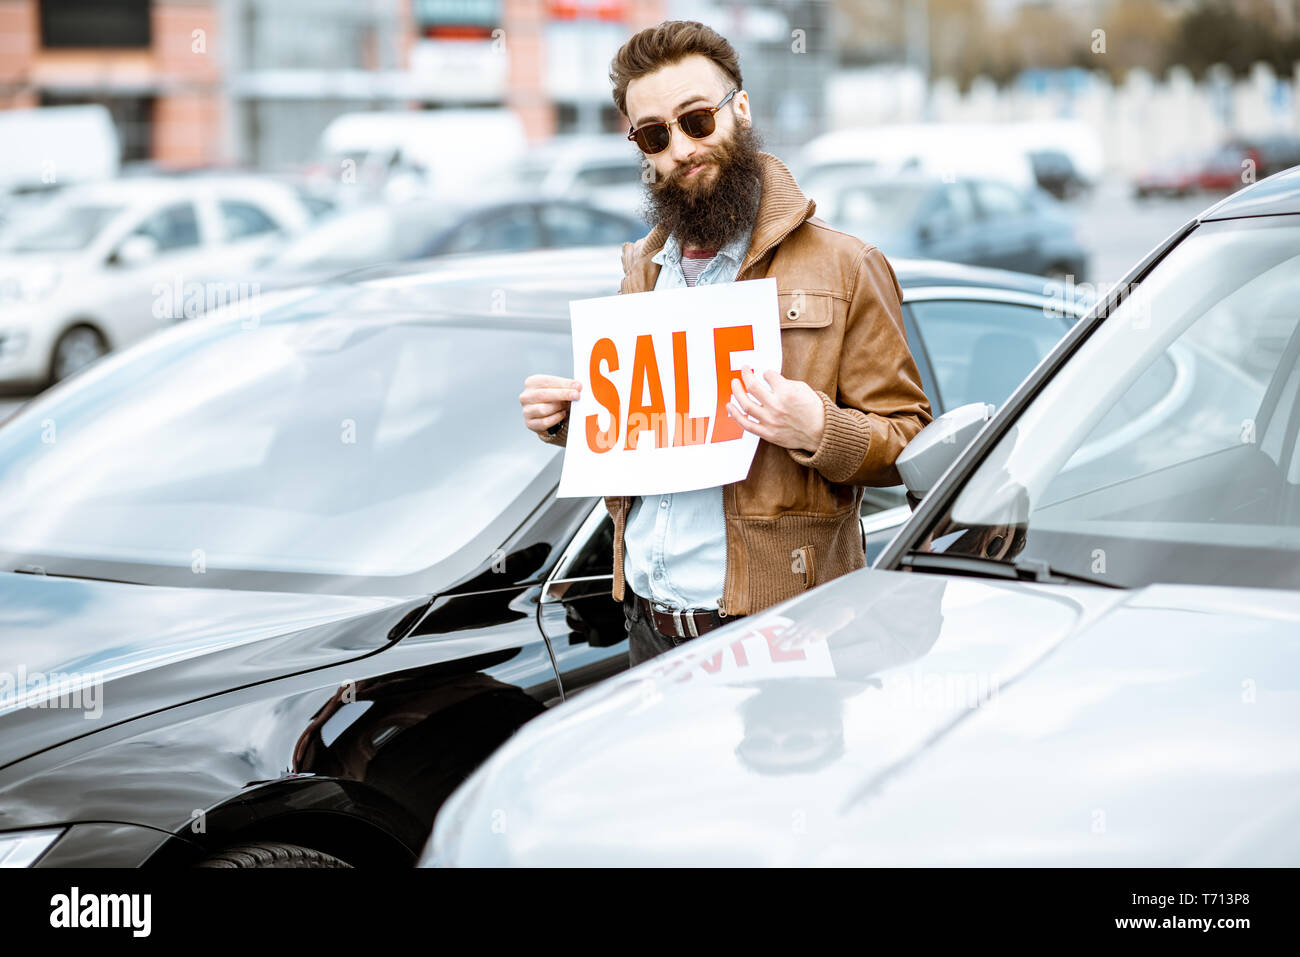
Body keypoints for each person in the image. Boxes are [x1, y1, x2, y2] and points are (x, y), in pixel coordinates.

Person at [519, 20, 933, 666]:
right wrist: (572, 421)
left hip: (782, 634)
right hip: (649, 632)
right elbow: (657, 433)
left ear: (740, 109)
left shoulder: (847, 266)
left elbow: (912, 441)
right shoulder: (641, 276)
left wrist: (819, 427)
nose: (681, 148)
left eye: (696, 120)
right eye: (655, 135)